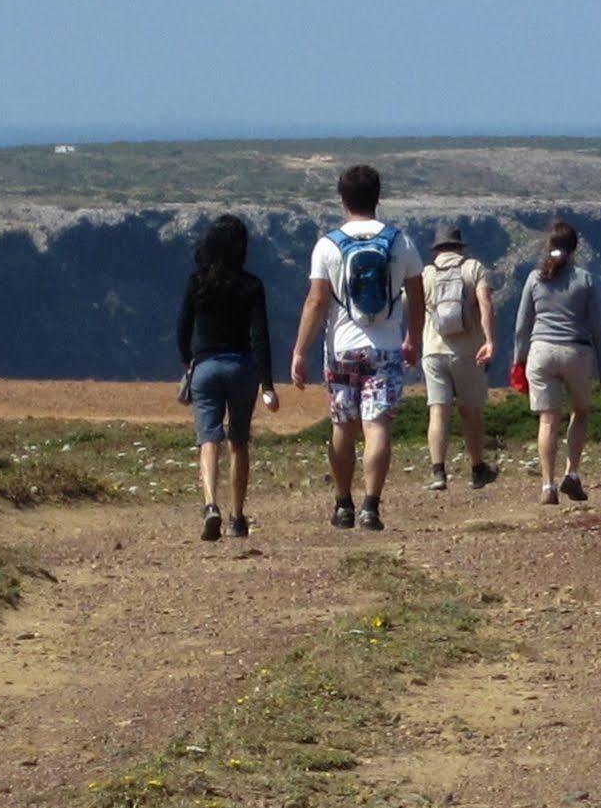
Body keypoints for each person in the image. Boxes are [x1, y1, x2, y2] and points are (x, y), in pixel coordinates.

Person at [290, 164, 425, 531]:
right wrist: (413, 338)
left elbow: (316, 302)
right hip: (384, 347)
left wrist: (300, 350)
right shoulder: (401, 242)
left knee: (343, 425)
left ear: (342, 198)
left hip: (341, 350)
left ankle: (343, 502)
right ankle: (371, 505)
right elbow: (416, 295)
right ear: (378, 197)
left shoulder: (328, 245)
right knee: (376, 424)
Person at [176, 213, 278, 541]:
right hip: (241, 367)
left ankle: (210, 505)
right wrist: (268, 385)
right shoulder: (252, 285)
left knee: (209, 439)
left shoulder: (197, 283)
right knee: (238, 441)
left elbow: (181, 330)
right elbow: (260, 336)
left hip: (205, 368)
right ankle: (236, 517)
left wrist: (187, 363)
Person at [512, 218, 601, 506]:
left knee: (547, 420)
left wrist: (517, 362)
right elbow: (597, 328)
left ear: (549, 245)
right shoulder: (584, 279)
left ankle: (547, 485)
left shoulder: (534, 278)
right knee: (579, 413)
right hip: (576, 353)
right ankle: (573, 473)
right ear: (575, 248)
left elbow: (521, 326)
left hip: (541, 352)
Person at [419, 225, 499, 491]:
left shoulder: (427, 273)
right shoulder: (473, 268)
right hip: (468, 351)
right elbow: (485, 306)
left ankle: (438, 472)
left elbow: (413, 308)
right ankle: (477, 469)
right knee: (471, 411)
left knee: (438, 410)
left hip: (433, 350)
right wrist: (489, 340)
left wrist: (409, 341)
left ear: (438, 249)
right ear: (459, 247)